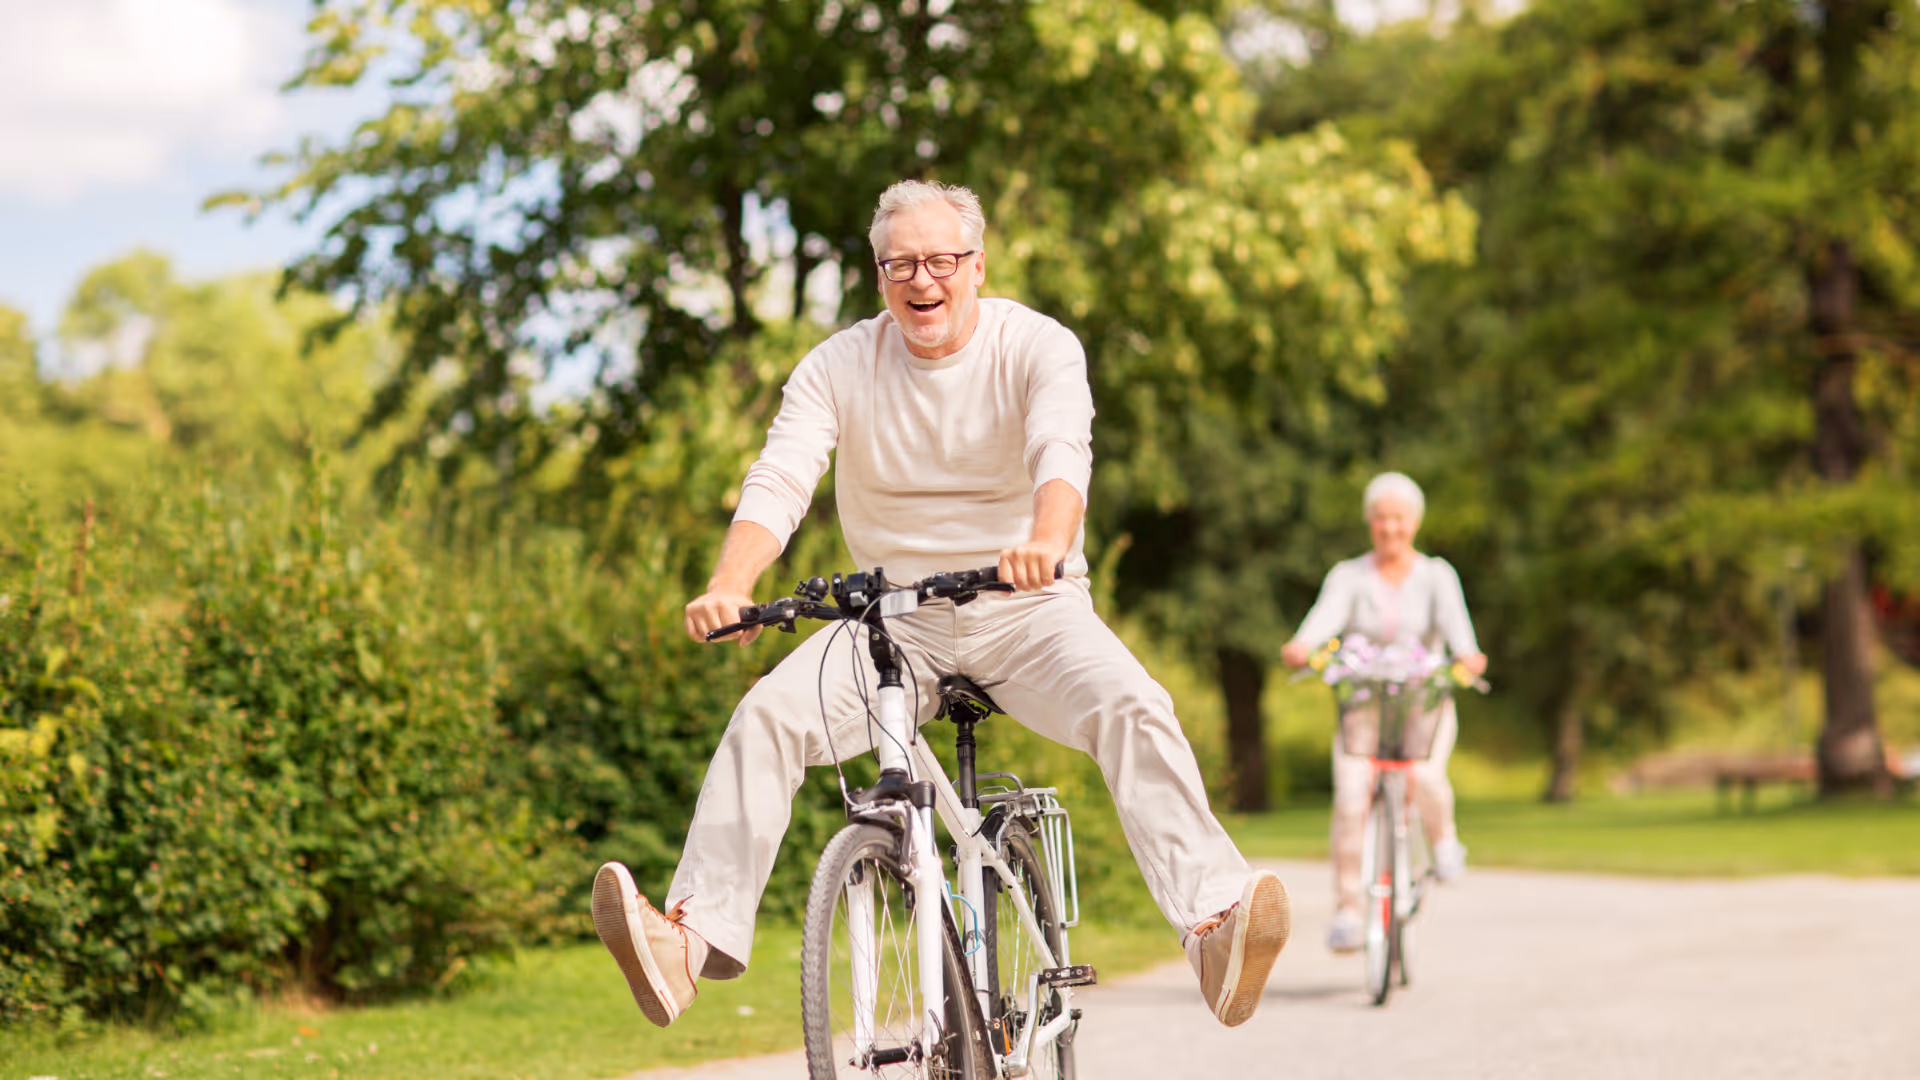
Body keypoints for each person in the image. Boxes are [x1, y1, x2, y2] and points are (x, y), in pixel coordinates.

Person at [591, 180, 1291, 1030]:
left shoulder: (1036, 345)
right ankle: (686, 945)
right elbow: (781, 476)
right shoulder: (838, 364)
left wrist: (1046, 539)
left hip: (1029, 607)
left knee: (1134, 704)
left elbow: (1061, 450)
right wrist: (729, 583)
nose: (921, 281)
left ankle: (1214, 928)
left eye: (940, 261)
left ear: (976, 266)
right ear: (879, 275)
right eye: (900, 265)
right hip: (892, 622)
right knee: (766, 717)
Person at [1279, 471, 1487, 954]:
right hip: (1365, 708)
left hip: (1423, 704)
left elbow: (1463, 639)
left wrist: (1468, 658)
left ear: (1414, 523)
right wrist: (1302, 646)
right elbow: (1319, 623)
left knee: (1426, 776)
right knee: (1352, 797)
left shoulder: (1437, 575)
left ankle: (1444, 843)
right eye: (1381, 519)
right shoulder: (1349, 576)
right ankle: (1348, 912)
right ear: (1370, 523)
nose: (1390, 529)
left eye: (1399, 519)